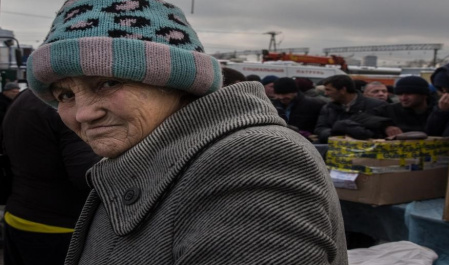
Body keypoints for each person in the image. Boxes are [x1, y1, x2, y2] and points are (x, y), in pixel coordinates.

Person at [26, 1, 348, 264]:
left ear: (177, 82)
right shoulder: (143, 155)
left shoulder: (248, 160)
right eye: (65, 95)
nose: (83, 113)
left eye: (108, 82)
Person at [1, 89, 100, 265]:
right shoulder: (63, 107)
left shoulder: (23, 98)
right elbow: (85, 175)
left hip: (17, 217)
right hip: (58, 229)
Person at [314, 75, 388, 143]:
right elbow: (320, 129)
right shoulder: (328, 108)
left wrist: (347, 129)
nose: (326, 94)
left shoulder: (376, 106)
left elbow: (378, 132)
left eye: (329, 90)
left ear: (343, 90)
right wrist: (335, 133)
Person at [426, 63, 449, 136]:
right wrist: (441, 112)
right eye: (442, 90)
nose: (444, 95)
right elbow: (432, 133)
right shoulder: (442, 106)